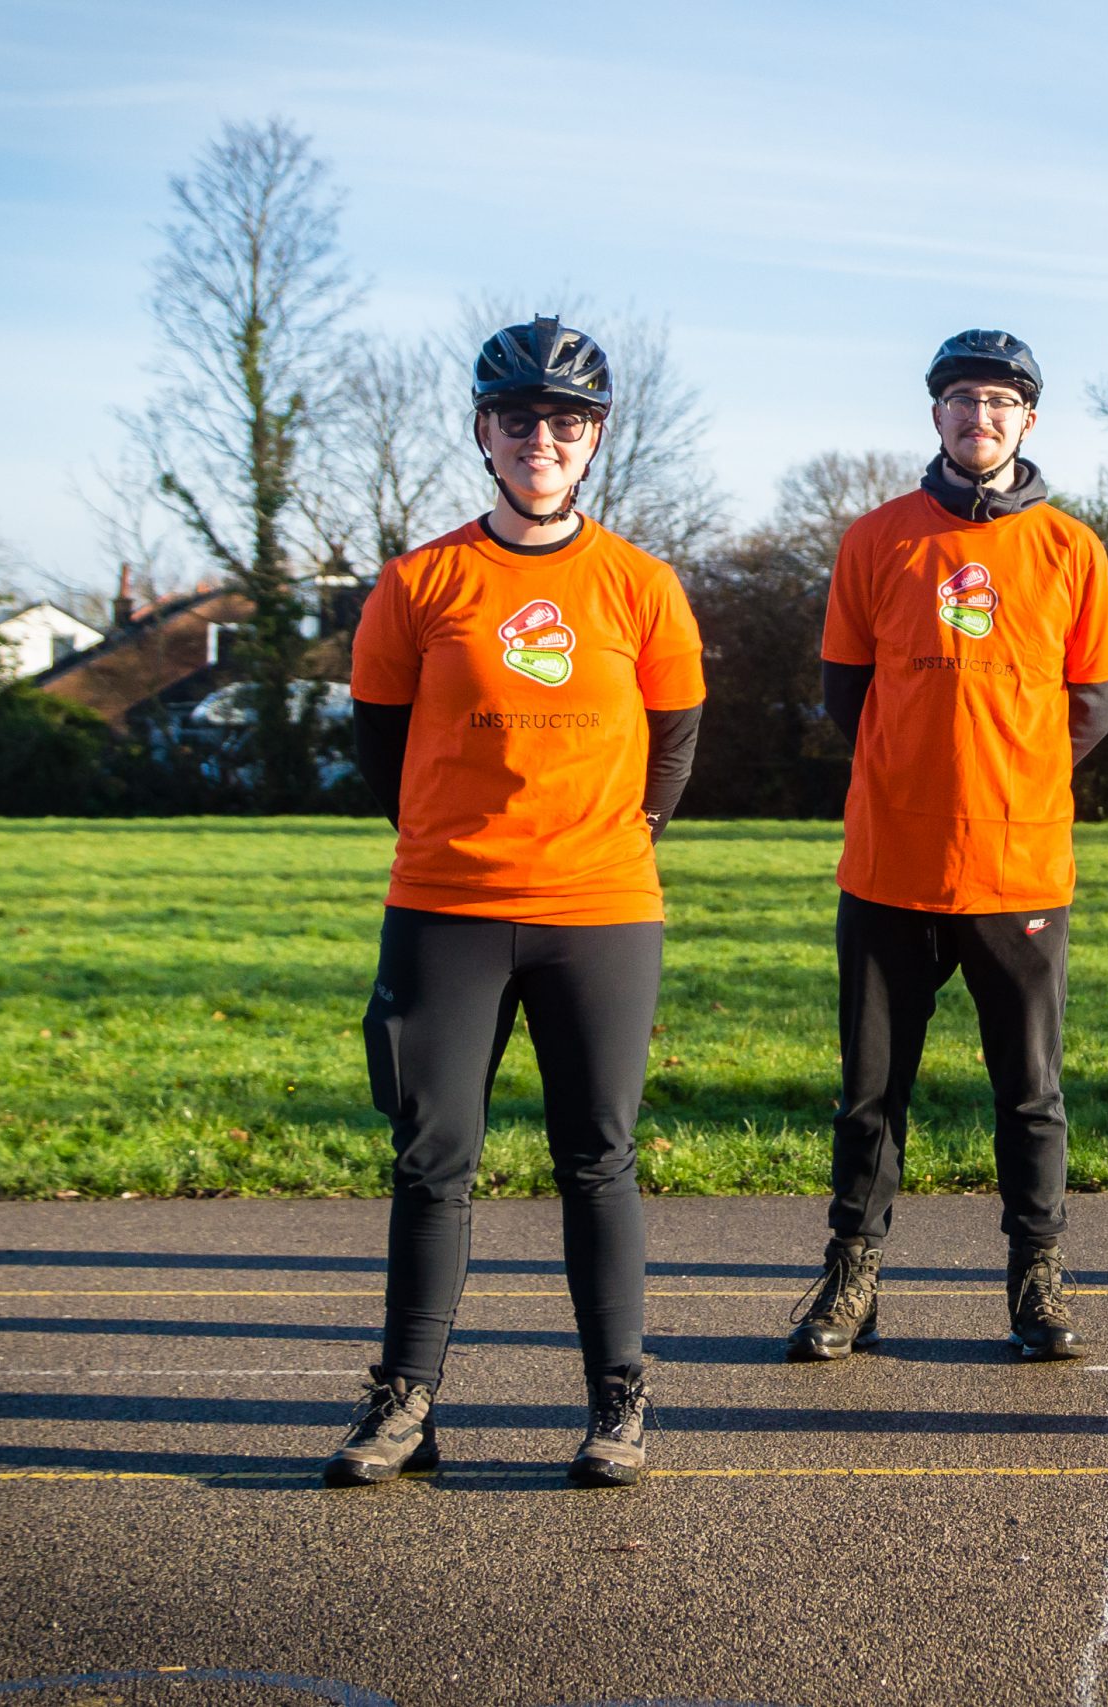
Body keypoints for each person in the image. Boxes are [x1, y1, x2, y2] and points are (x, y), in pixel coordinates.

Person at [327, 315, 705, 1488]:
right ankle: (405, 1404)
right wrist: (460, 845)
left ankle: (617, 1402)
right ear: (485, 433)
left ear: (595, 440)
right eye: (520, 419)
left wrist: (606, 842)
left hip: (599, 911)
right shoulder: (418, 583)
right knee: (433, 1157)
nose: (543, 438)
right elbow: (384, 752)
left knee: (597, 1154)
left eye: (566, 421)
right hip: (447, 909)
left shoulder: (640, 585)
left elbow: (675, 744)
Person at [787, 329, 1108, 1364]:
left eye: (1000, 405)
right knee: (871, 1092)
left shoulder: (1072, 549)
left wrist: (1005, 773)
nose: (979, 420)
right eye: (961, 402)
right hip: (891, 864)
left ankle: (1036, 1279)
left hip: (1018, 870)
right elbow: (848, 693)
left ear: (1028, 421)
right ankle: (852, 1275)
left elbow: (1094, 706)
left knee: (1029, 1093)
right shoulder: (876, 539)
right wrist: (920, 769)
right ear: (934, 416)